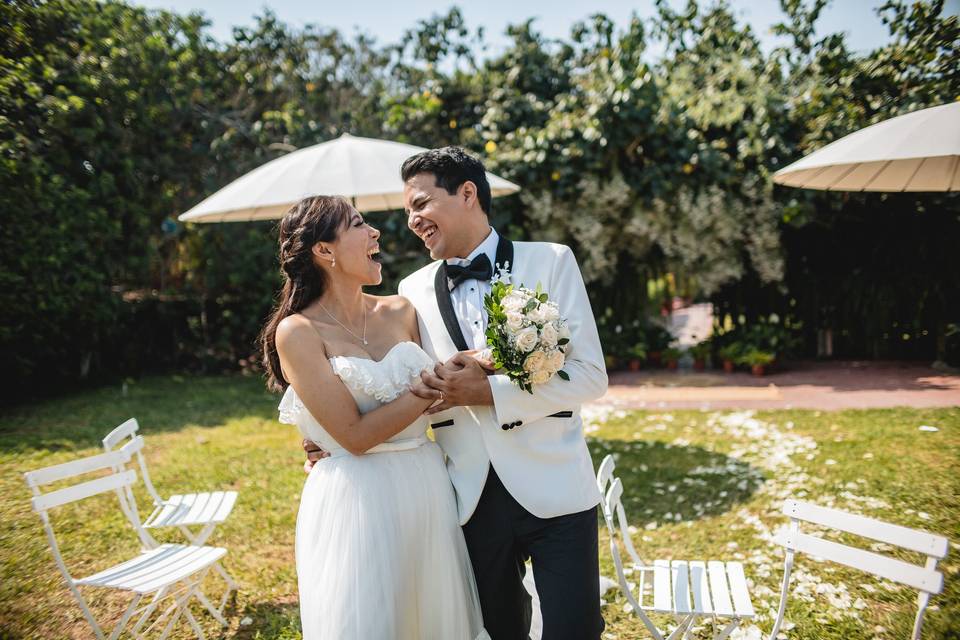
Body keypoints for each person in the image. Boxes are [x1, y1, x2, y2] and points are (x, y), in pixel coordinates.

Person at [304, 147, 608, 640]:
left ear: (467, 193)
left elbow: (591, 375)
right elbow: (398, 385)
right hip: (465, 498)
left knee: (576, 630)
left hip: (557, 487)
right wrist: (332, 437)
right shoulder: (410, 291)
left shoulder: (550, 261)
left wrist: (490, 392)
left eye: (420, 204)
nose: (411, 221)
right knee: (498, 630)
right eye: (407, 212)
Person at [260, 195, 488, 639]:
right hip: (356, 499)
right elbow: (355, 436)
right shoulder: (297, 332)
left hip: (426, 485)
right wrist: (432, 385)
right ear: (324, 251)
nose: (376, 233)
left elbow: (457, 387)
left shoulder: (402, 310)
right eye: (359, 224)